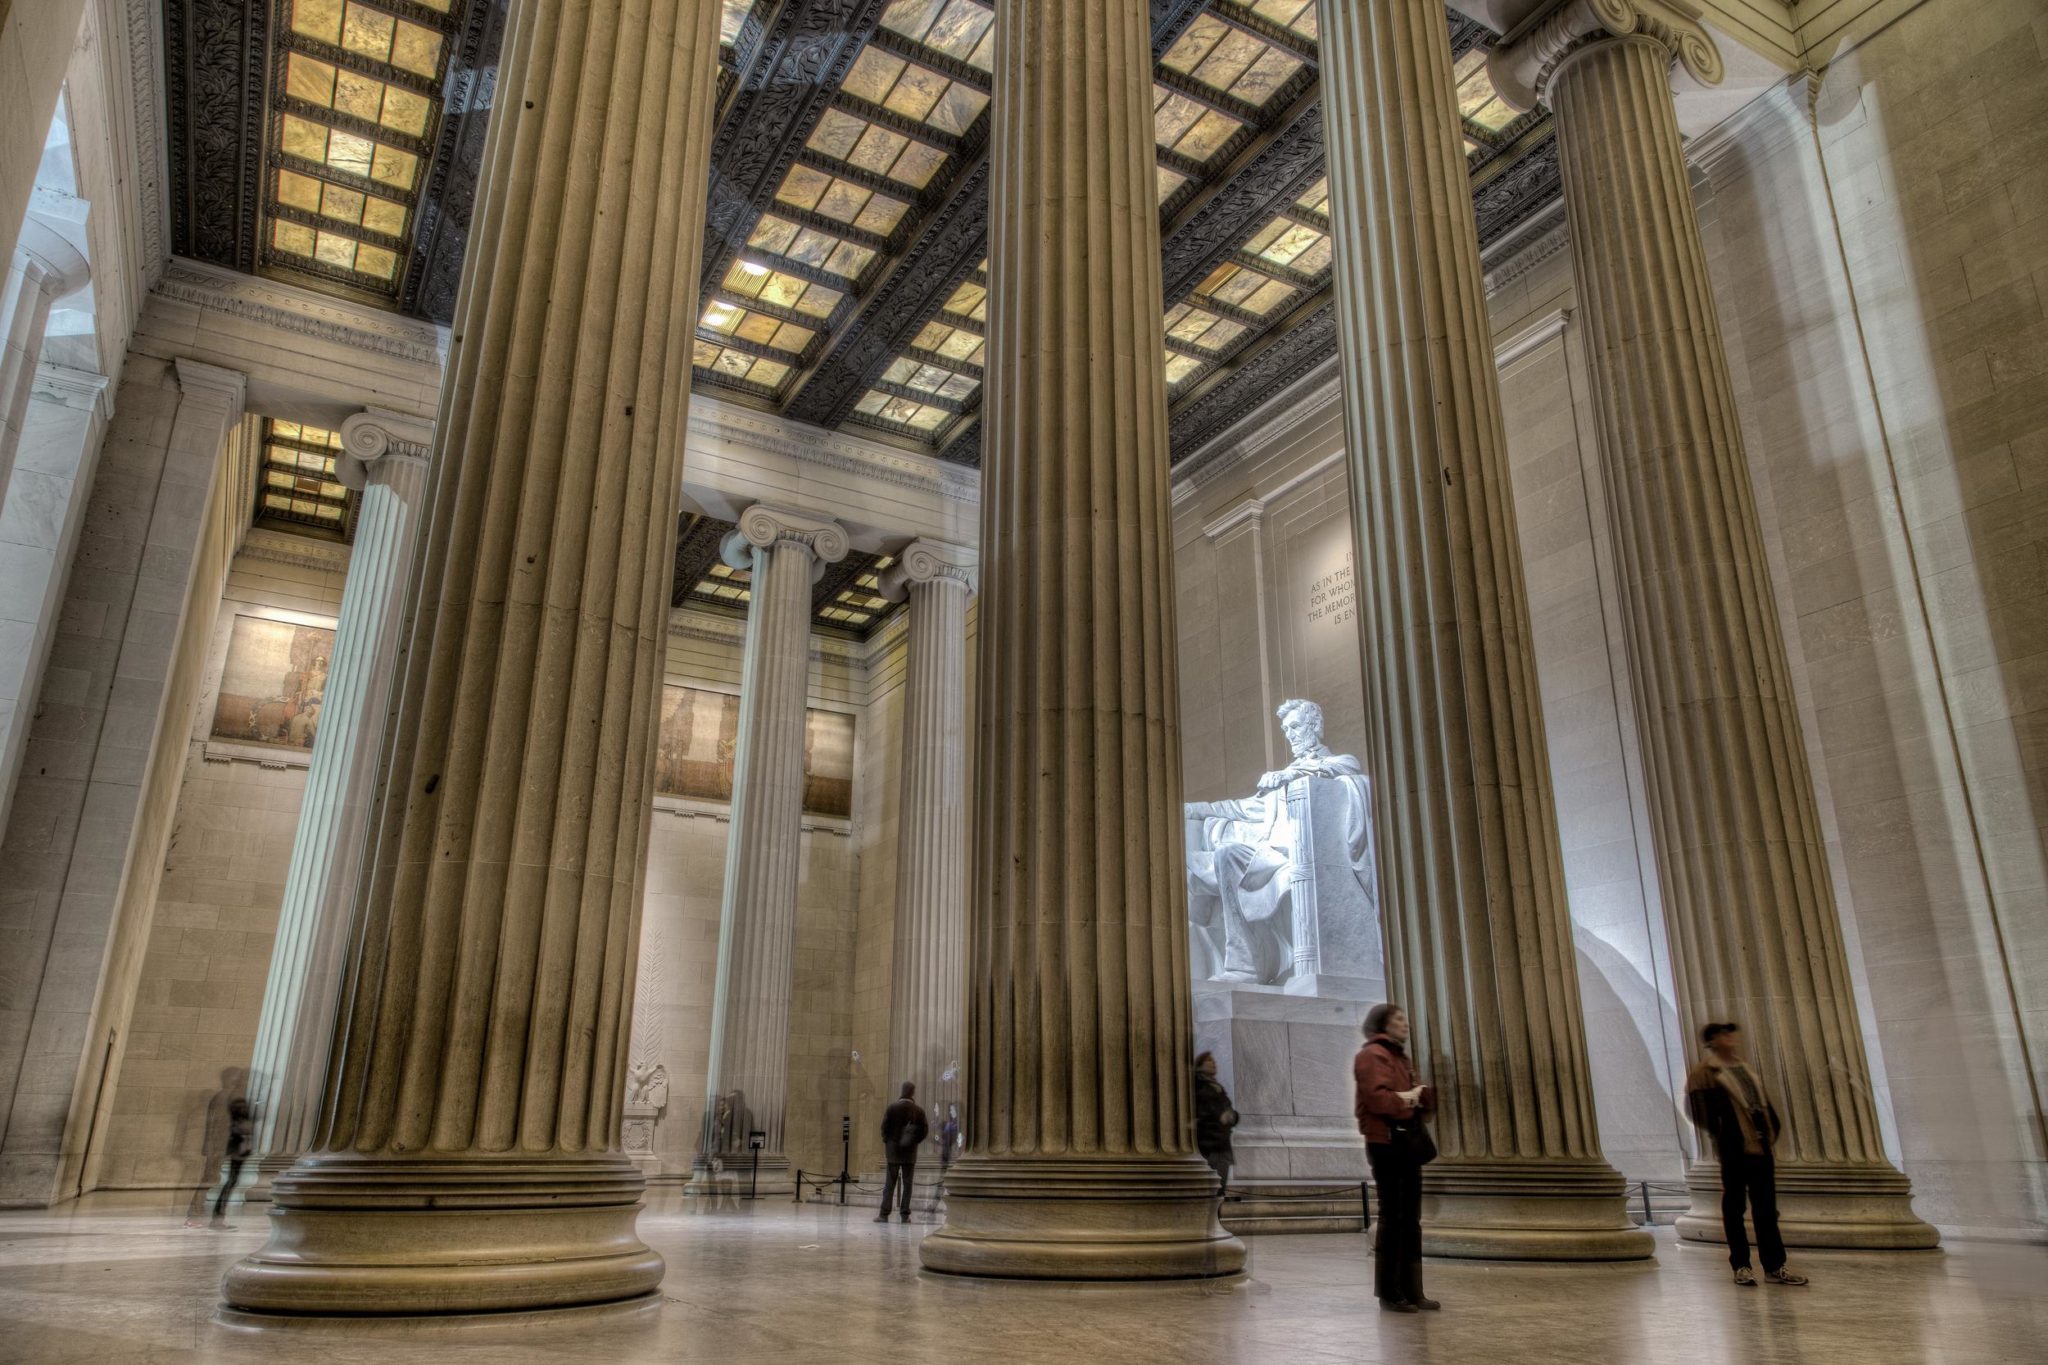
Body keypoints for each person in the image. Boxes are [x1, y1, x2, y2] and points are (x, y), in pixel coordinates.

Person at [1686, 1022, 1809, 1288]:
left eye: (1731, 1033)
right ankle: (1741, 1265)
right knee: (1735, 1207)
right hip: (1734, 1149)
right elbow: (1697, 1110)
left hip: (1760, 1146)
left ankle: (1775, 1265)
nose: (1731, 1037)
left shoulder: (1744, 1067)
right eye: (1724, 1034)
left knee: (1766, 1209)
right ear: (1713, 1040)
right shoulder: (1705, 1072)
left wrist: (1771, 1131)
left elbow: (1762, 1103)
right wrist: (1723, 1134)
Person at [1354, 1003, 1438, 1312]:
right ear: (1383, 1024)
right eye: (1399, 1019)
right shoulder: (1371, 1055)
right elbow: (1378, 1099)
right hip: (1386, 1142)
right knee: (1394, 1218)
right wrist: (1407, 1100)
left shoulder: (1400, 1057)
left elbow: (1415, 1102)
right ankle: (1390, 1292)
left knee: (1411, 1220)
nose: (1406, 1023)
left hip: (1407, 1142)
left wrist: (1420, 1095)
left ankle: (1413, 1290)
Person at [876, 1081, 928, 1224]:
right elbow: (924, 1131)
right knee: (908, 1184)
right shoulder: (918, 1111)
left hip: (893, 1151)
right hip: (910, 1152)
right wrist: (914, 1142)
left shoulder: (892, 1108)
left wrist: (888, 1141)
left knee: (889, 1184)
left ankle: (884, 1214)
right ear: (912, 1092)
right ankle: (905, 1215)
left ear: (902, 1091)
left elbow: (884, 1128)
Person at [1193, 1051, 1238, 1207]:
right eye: (1209, 1061)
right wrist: (1219, 1118)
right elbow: (1200, 1113)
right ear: (1199, 1066)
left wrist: (1232, 1117)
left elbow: (1228, 1109)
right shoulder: (1198, 1087)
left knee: (1220, 1185)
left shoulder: (1217, 1087)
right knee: (1212, 1188)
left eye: (1213, 1060)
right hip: (1209, 1143)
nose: (1214, 1063)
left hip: (1221, 1143)